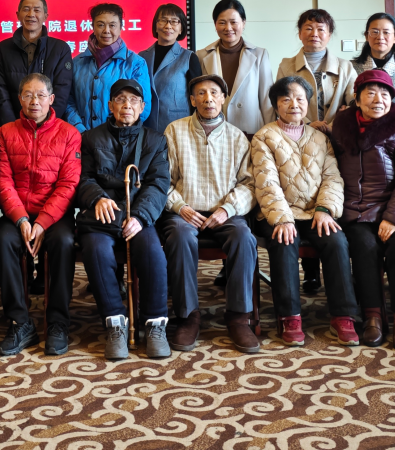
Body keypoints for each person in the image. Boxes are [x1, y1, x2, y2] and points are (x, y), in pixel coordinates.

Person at [251, 76, 360, 347]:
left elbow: (332, 177)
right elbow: (266, 182)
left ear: (308, 103)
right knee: (284, 241)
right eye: (286, 99)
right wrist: (282, 219)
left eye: (300, 98)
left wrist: (324, 210)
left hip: (314, 213)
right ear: (276, 105)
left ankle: (343, 315)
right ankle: (289, 316)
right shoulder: (264, 136)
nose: (294, 104)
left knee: (336, 241)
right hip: (277, 213)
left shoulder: (320, 138)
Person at [159, 74, 260, 353]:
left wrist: (228, 209)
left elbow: (249, 184)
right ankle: (187, 316)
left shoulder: (237, 137)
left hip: (225, 213)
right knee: (179, 237)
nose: (208, 99)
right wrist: (180, 207)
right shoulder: (174, 131)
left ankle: (239, 317)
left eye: (214, 93)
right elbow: (162, 180)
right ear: (192, 100)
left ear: (223, 98)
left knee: (244, 238)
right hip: (184, 212)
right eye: (201, 93)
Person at [75, 79, 171, 360]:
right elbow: (83, 178)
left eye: (133, 101)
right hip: (101, 215)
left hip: (137, 214)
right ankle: (115, 323)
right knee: (95, 250)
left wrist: (140, 216)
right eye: (120, 99)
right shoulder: (91, 138)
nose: (126, 105)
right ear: (110, 105)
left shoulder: (156, 140)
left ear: (142, 107)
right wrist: (97, 198)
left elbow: (158, 184)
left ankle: (155, 324)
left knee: (152, 252)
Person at [329, 69, 395, 351]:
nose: (378, 99)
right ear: (357, 99)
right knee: (363, 245)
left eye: (384, 94)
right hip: (356, 208)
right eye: (370, 93)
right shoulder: (341, 125)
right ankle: (372, 316)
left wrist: (393, 217)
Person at [0, 73, 81, 357]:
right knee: (2, 240)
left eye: (41, 95)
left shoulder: (69, 134)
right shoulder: (5, 132)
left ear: (52, 99)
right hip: (17, 212)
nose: (35, 101)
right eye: (28, 95)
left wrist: (42, 223)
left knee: (64, 242)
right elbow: (2, 181)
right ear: (19, 99)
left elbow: (68, 185)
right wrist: (21, 219)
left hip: (54, 215)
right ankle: (20, 322)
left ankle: (57, 322)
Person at [0, 0, 74, 125]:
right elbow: (0, 92)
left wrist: (45, 125)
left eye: (37, 10)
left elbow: (61, 93)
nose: (31, 14)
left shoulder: (60, 49)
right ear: (18, 15)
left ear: (45, 16)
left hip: (49, 127)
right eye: (26, 9)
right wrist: (13, 126)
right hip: (13, 126)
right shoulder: (3, 49)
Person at [65, 2, 152, 132]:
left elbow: (143, 106)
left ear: (120, 27)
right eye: (100, 25)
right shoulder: (77, 62)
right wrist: (80, 131)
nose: (106, 30)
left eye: (112, 25)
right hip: (82, 137)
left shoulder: (136, 63)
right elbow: (68, 101)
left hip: (119, 138)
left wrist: (115, 133)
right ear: (93, 27)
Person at [196, 0, 274, 137]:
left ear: (243, 23)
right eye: (222, 22)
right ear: (215, 25)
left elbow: (266, 99)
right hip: (214, 133)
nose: (228, 28)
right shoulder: (202, 55)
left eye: (233, 22)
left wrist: (269, 134)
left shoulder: (260, 55)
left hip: (252, 132)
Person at [276, 8, 356, 129]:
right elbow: (280, 102)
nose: (314, 34)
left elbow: (356, 101)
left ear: (329, 35)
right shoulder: (286, 66)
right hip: (299, 133)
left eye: (321, 29)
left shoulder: (345, 67)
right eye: (309, 28)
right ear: (300, 34)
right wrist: (307, 125)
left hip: (337, 132)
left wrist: (333, 125)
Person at [141, 3, 203, 132]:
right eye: (163, 20)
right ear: (156, 26)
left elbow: (197, 96)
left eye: (174, 21)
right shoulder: (141, 57)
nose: (168, 26)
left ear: (181, 29)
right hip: (146, 125)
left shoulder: (189, 58)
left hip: (178, 125)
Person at [352, 13, 395, 111]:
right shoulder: (351, 68)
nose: (380, 37)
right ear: (366, 36)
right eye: (375, 32)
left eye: (386, 32)